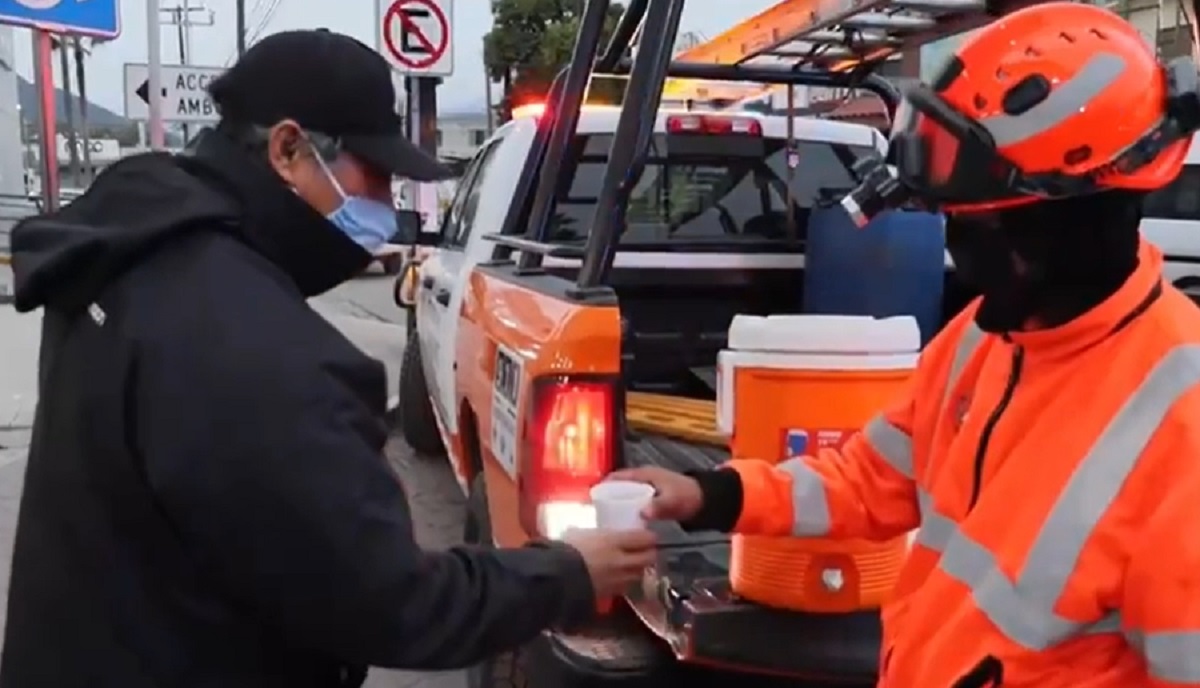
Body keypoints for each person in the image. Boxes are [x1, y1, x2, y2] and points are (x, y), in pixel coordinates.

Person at [1, 29, 656, 687]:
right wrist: (570, 572)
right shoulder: (254, 345)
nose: (386, 207)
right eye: (375, 176)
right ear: (289, 149)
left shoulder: (130, 253)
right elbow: (392, 603)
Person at [611, 4, 1200, 687]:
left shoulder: (1181, 427)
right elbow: (868, 481)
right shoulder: (984, 341)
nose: (959, 253)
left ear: (1067, 224)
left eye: (980, 229)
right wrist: (705, 495)